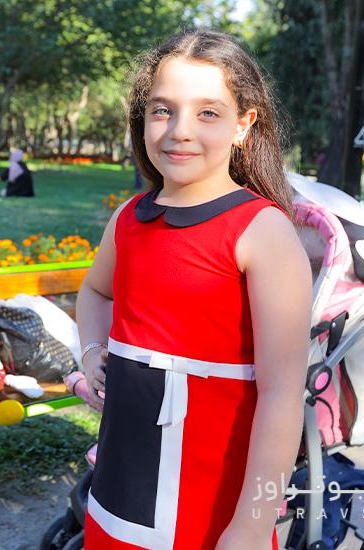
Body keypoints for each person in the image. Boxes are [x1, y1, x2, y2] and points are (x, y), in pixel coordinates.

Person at [76, 29, 312, 550]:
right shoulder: (128, 219)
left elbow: (281, 396)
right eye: (163, 110)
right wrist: (92, 352)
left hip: (211, 514)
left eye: (208, 112)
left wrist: (252, 525)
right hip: (117, 494)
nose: (179, 131)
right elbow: (94, 293)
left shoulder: (261, 232)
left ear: (243, 125)